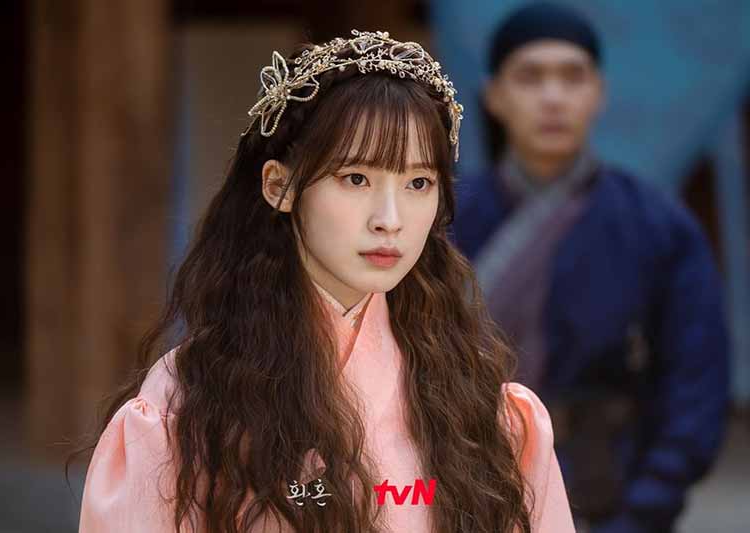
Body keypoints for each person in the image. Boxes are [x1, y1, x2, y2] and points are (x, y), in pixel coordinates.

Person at [72, 30, 574, 532]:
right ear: (280, 186)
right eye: (356, 179)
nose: (390, 219)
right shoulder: (189, 408)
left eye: (419, 183)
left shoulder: (484, 412)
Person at [451, 4, 731, 533]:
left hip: (608, 496)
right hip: (463, 488)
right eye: (530, 77)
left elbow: (696, 383)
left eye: (572, 76)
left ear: (598, 93)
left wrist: (646, 506)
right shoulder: (447, 219)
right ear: (494, 95)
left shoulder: (656, 224)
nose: (553, 96)